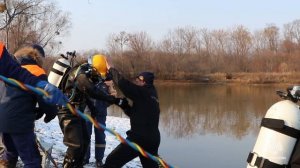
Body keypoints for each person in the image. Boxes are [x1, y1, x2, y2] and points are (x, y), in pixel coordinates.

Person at [0, 45, 58, 168]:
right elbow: (45, 99)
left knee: (10, 154)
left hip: (3, 121)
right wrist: (50, 113)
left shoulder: (9, 67)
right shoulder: (37, 72)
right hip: (20, 123)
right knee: (33, 160)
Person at [58, 54, 119, 168]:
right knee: (80, 142)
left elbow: (89, 95)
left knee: (93, 138)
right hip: (77, 112)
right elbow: (91, 91)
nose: (99, 76)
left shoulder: (101, 76)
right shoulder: (82, 74)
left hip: (96, 111)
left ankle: (94, 160)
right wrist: (108, 98)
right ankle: (80, 160)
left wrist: (106, 102)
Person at [102, 68, 161, 168]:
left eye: (139, 79)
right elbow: (138, 115)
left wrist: (111, 70)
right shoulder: (152, 95)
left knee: (112, 161)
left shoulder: (144, 92)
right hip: (153, 140)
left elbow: (125, 86)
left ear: (144, 81)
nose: (136, 81)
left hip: (139, 139)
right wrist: (123, 105)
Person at [0, 42, 67, 106]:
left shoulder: (14, 63)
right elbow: (46, 104)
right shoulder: (39, 72)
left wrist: (41, 85)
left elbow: (14, 71)